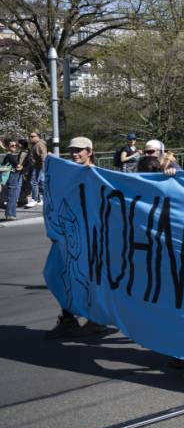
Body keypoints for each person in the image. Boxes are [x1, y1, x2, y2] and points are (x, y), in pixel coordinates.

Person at [45, 137, 111, 339]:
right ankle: (69, 319)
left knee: (88, 279)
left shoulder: (99, 175)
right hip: (69, 233)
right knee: (57, 273)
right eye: (72, 150)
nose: (75, 154)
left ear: (89, 151)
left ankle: (94, 320)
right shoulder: (68, 173)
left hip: (91, 237)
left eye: (79, 150)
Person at [2, 139, 28, 221]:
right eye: (12, 146)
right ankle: (10, 215)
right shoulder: (10, 156)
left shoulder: (11, 155)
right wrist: (21, 166)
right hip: (12, 177)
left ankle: (11, 214)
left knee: (13, 196)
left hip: (13, 177)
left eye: (15, 145)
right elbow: (18, 166)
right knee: (12, 197)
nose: (14, 147)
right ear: (8, 147)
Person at [27, 130, 46, 206]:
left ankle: (35, 199)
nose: (31, 138)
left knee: (34, 182)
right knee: (41, 183)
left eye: (32, 136)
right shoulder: (35, 144)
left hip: (39, 167)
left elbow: (43, 155)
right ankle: (41, 199)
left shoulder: (39, 144)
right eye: (30, 136)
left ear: (38, 137)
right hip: (37, 166)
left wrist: (43, 167)